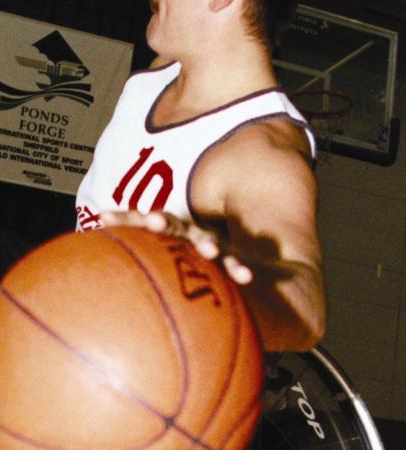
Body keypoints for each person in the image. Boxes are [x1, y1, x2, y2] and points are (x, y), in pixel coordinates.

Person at [75, 0, 325, 352]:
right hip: (77, 323)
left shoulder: (260, 154)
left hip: (138, 376)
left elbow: (306, 311)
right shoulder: (158, 76)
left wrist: (207, 275)